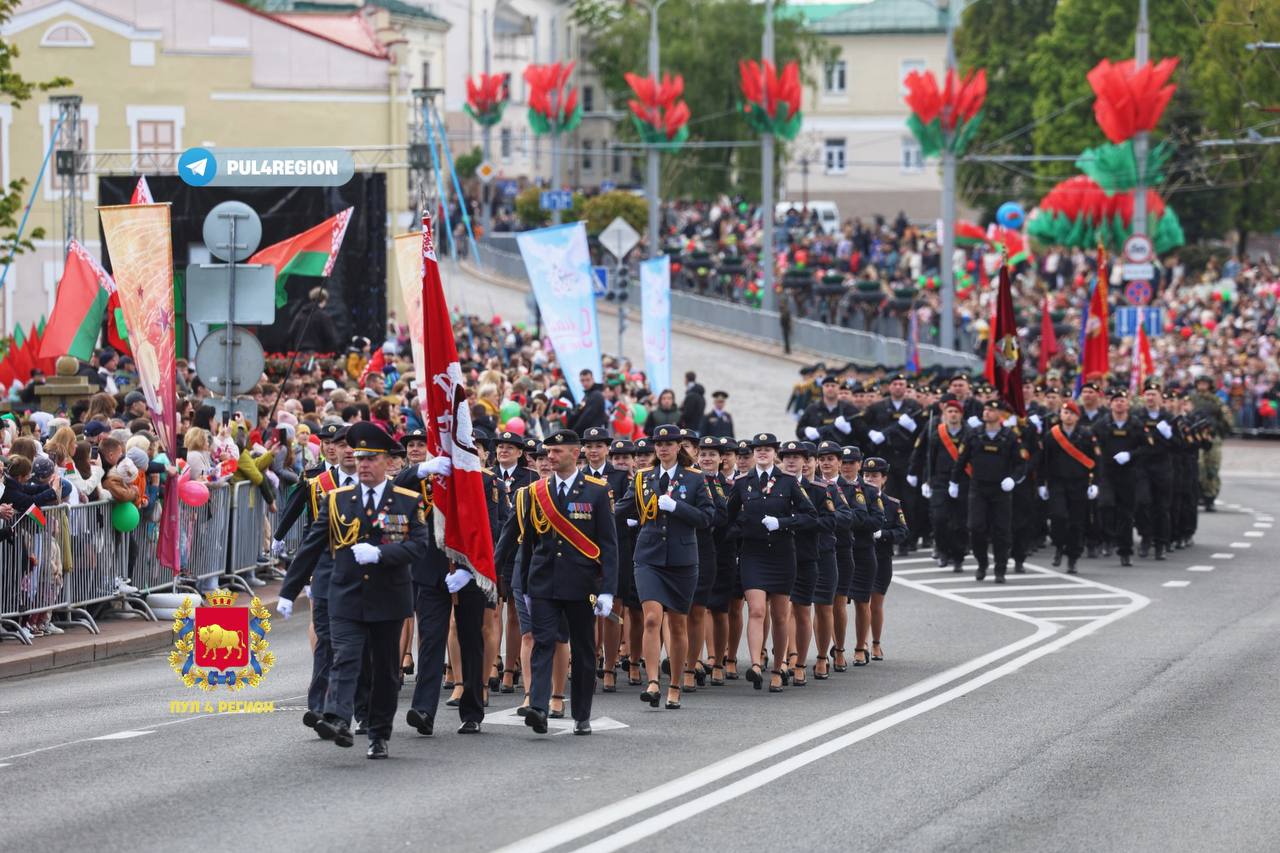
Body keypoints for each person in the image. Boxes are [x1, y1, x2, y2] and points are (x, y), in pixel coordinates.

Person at [276, 422, 429, 759]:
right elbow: (311, 547)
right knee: (345, 657)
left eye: (370, 458)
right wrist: (288, 591)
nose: (363, 464)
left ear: (387, 461)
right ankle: (338, 718)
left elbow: (419, 545)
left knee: (384, 671)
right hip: (346, 596)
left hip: (388, 598)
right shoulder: (336, 500)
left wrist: (382, 554)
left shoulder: (406, 501)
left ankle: (378, 733)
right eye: (359, 458)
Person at [512, 429, 618, 735]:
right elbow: (529, 543)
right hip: (543, 582)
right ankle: (539, 708)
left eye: (557, 452)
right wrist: (525, 586)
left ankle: (581, 714)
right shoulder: (537, 491)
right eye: (548, 452)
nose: (550, 457)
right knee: (543, 642)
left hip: (581, 584)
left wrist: (608, 590)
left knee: (583, 650)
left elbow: (609, 545)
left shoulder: (597, 491)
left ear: (575, 453)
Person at [615, 424, 715, 709]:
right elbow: (620, 508)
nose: (662, 448)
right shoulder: (643, 477)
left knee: (678, 624)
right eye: (658, 444)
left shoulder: (695, 478)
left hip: (682, 560)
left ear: (678, 446)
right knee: (651, 618)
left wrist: (677, 507)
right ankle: (652, 682)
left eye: (668, 443)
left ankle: (675, 684)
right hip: (648, 556)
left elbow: (707, 517)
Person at [726, 432, 817, 692]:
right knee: (756, 610)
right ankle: (756, 664)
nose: (762, 453)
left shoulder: (788, 482)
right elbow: (727, 517)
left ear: (774, 453)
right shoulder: (742, 483)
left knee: (779, 615)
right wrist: (740, 530)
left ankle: (778, 669)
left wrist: (783, 523)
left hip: (782, 554)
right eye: (758, 449)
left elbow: (810, 515)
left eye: (767, 449)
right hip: (753, 554)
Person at [950, 399, 1025, 584]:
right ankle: (982, 563)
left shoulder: (1010, 436)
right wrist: (954, 481)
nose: (986, 412)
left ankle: (1000, 568)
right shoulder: (974, 434)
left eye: (991, 410)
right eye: (985, 409)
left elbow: (1020, 464)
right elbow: (961, 460)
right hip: (978, 487)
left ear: (1000, 414)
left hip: (1001, 489)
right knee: (976, 527)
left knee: (1001, 531)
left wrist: (1013, 479)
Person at [1038, 401, 1102, 575]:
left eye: (1072, 413)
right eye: (1065, 413)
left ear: (1077, 417)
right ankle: (1059, 546)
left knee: (1076, 522)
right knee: (1058, 517)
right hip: (1057, 483)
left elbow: (1096, 461)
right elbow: (1043, 461)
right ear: (1060, 415)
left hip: (1079, 483)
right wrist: (1041, 483)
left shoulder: (1086, 435)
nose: (1068, 416)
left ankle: (1073, 557)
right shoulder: (1051, 435)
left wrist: (1095, 483)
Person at [909, 396, 971, 572]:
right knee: (939, 519)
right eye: (950, 411)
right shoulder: (937, 433)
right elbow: (930, 459)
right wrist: (926, 480)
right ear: (944, 413)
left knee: (959, 522)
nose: (953, 414)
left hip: (963, 481)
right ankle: (943, 551)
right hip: (940, 481)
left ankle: (958, 556)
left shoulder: (969, 433)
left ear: (961, 414)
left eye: (956, 411)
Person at [860, 457, 908, 661]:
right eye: (866, 475)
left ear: (884, 478)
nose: (870, 479)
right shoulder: (856, 500)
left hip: (881, 557)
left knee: (876, 603)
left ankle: (876, 643)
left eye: (874, 476)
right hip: (861, 557)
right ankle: (861, 643)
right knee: (861, 603)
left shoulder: (892, 504)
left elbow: (903, 531)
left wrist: (884, 534)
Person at [1135, 379, 1178, 561]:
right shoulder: (1137, 416)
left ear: (1160, 398)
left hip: (1162, 466)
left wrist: (1169, 435)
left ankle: (1161, 544)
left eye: (1154, 395)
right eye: (1148, 394)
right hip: (1142, 466)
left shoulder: (1169, 418)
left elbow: (1179, 445)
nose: (1150, 398)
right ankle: (1146, 537)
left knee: (1162, 507)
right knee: (1142, 503)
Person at [796, 375, 859, 446]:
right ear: (822, 388)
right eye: (827, 386)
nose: (830, 388)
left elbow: (861, 435)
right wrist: (806, 430)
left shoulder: (849, 409)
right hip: (817, 449)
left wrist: (850, 431)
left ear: (838, 388)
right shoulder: (812, 408)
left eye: (833, 386)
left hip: (842, 449)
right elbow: (799, 431)